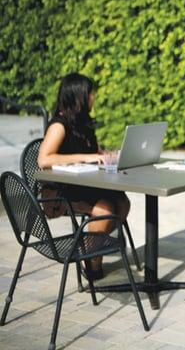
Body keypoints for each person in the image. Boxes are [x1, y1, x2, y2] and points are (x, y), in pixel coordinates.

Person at [38, 73, 130, 280]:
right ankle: (90, 260)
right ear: (78, 95)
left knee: (123, 203)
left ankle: (92, 249)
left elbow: (95, 153)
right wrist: (86, 157)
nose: (93, 97)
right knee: (105, 208)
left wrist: (107, 156)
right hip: (61, 190)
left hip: (85, 185)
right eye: (90, 93)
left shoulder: (84, 125)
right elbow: (44, 159)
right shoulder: (59, 125)